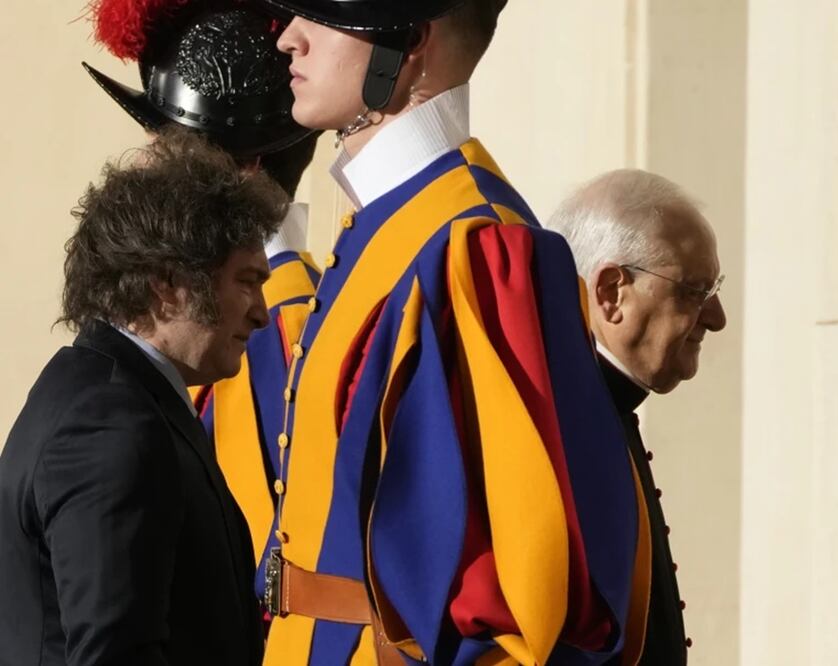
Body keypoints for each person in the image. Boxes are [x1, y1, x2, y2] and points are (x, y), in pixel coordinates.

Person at [256, 1, 650, 664]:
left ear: (408, 40)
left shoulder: (477, 248)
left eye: (320, 15)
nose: (288, 41)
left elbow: (518, 597)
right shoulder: (390, 224)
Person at [0, 130, 287, 666]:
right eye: (247, 281)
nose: (261, 312)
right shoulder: (109, 425)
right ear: (166, 283)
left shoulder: (111, 395)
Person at [83, 0, 323, 594]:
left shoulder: (275, 330)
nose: (142, 163)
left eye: (163, 146)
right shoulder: (236, 312)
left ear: (226, 178)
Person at [547, 169, 728, 665]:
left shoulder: (594, 408)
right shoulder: (553, 437)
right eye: (694, 290)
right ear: (610, 292)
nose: (717, 318)